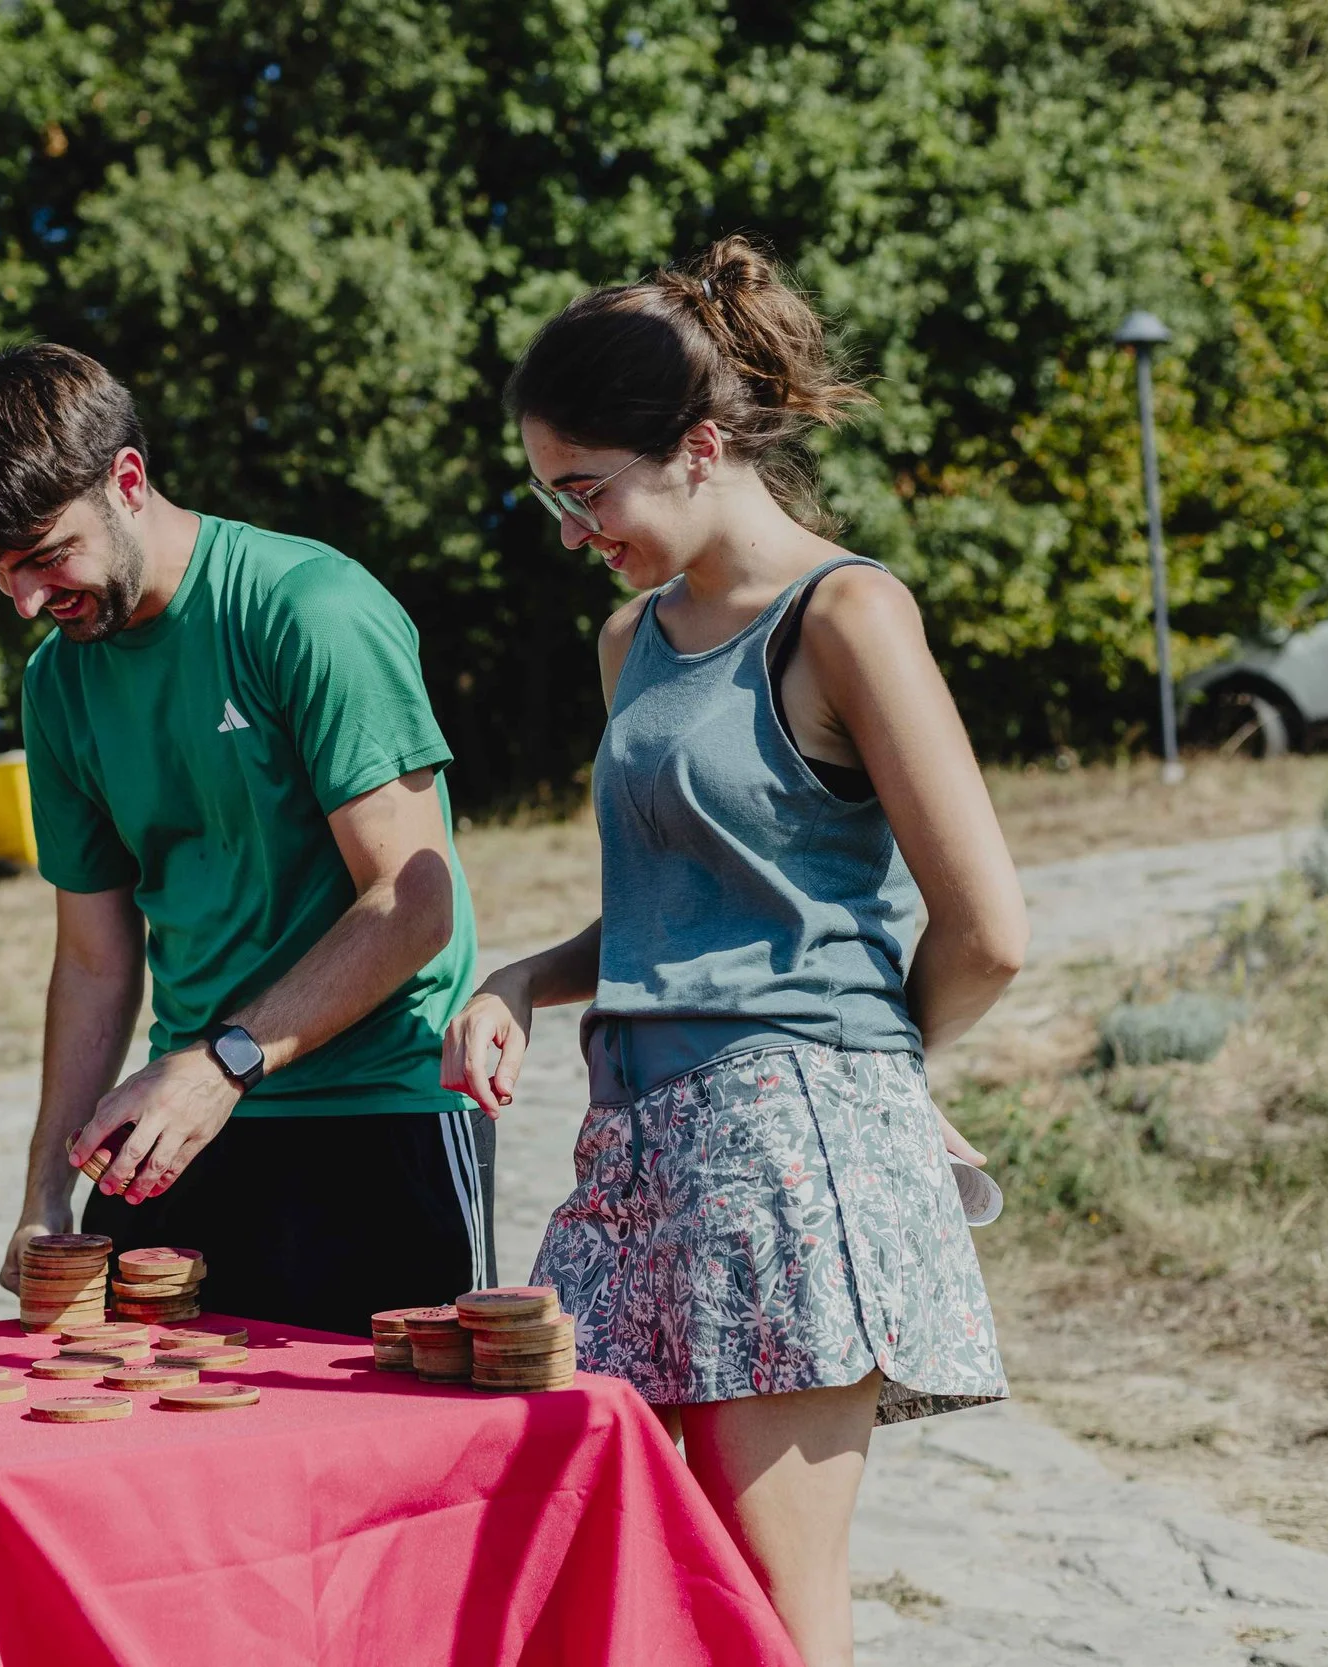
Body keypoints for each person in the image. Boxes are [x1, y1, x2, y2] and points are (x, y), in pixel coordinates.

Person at [441, 238, 1025, 1667]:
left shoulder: (848, 614)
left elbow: (991, 930)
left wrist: (865, 1064)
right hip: (632, 1142)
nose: (574, 527)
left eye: (589, 490)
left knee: (768, 1605)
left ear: (699, 449)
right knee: (625, 1564)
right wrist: (522, 976)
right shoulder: (629, 638)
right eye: (550, 495)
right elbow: (670, 911)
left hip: (790, 1145)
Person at [0, 344, 493, 1338]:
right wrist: (44, 1193)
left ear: (126, 480)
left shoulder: (308, 607)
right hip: (183, 1124)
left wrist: (223, 1058)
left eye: (46, 554)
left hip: (379, 1112)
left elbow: (413, 900)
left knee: (379, 1473)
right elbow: (96, 964)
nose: (25, 601)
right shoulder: (58, 684)